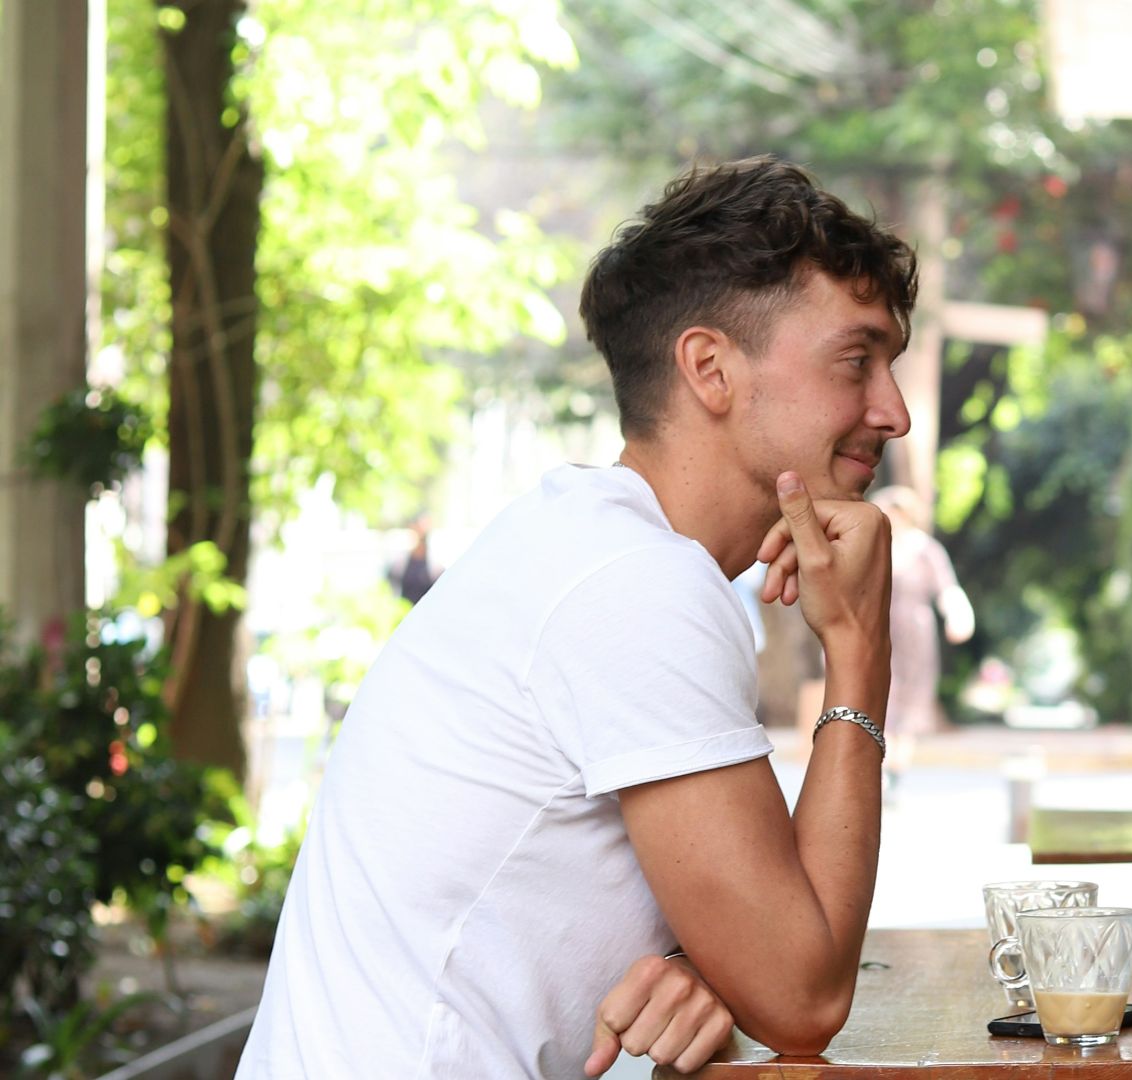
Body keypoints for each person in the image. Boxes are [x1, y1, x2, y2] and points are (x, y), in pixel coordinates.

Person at [237, 157, 917, 1078]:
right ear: (710, 369)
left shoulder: (592, 546)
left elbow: (768, 962)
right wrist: (860, 651)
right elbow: (804, 997)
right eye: (856, 360)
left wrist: (709, 969)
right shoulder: (636, 585)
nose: (894, 412)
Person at [869, 485, 973, 788]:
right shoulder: (873, 545)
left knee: (911, 699)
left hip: (915, 632)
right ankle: (880, 763)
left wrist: (958, 615)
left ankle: (897, 768)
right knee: (881, 694)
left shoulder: (926, 549)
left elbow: (948, 588)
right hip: (877, 629)